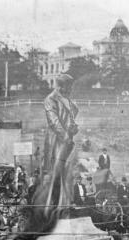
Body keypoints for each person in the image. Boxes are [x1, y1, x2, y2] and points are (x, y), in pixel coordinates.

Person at [43, 73, 79, 207]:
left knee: (68, 171)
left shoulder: (67, 99)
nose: (71, 89)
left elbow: (70, 117)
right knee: (56, 172)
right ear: (61, 86)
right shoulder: (51, 99)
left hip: (67, 140)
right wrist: (65, 137)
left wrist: (73, 128)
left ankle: (66, 202)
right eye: (69, 86)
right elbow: (54, 121)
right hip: (56, 140)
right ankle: (53, 203)